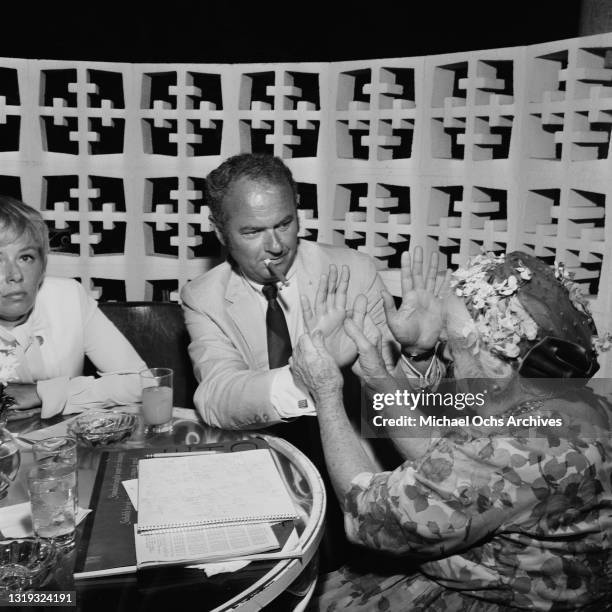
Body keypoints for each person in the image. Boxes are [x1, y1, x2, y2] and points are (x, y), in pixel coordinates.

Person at [291, 250, 612, 611]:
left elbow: (364, 513)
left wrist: (326, 392)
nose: (444, 355)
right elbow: (447, 463)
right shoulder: (575, 404)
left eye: (451, 346)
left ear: (497, 361)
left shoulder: (513, 450)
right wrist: (377, 378)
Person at [181, 152, 446, 430]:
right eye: (252, 232)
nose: (275, 246)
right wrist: (307, 374)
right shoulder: (202, 297)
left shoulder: (354, 272)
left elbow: (403, 407)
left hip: (357, 451)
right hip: (256, 452)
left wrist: (418, 354)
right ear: (220, 232)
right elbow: (216, 399)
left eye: (284, 224)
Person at [0, 196, 146, 419]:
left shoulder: (67, 297)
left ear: (42, 266)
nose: (15, 275)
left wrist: (44, 393)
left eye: (26, 257)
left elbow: (141, 383)